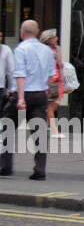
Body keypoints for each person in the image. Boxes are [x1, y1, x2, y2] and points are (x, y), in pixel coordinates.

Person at [1, 20, 55, 180]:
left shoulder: (21, 49)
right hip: (40, 94)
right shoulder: (47, 50)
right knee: (39, 132)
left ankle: (5, 166)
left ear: (22, 33)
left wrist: (21, 98)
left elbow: (20, 74)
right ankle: (40, 170)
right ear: (37, 32)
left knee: (7, 127)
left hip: (24, 93)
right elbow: (51, 76)